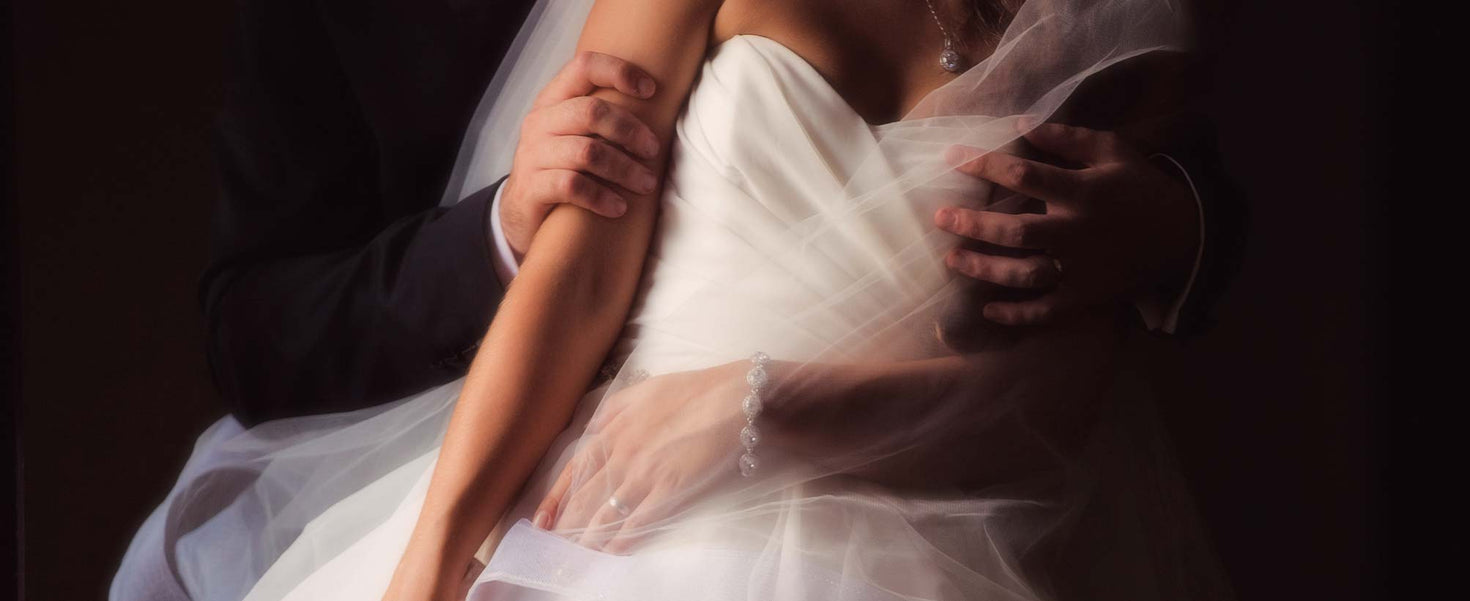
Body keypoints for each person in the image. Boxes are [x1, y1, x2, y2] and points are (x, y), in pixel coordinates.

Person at [113, 0, 1240, 600]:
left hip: (920, 524)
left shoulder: (1106, 26)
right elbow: (579, 273)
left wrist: (760, 412)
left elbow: (1069, 372)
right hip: (612, 510)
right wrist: (431, 564)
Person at [202, 0, 1240, 428]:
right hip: (530, 439)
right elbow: (255, 337)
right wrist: (505, 234)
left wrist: (1173, 225)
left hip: (962, 444)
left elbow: (1201, 141)